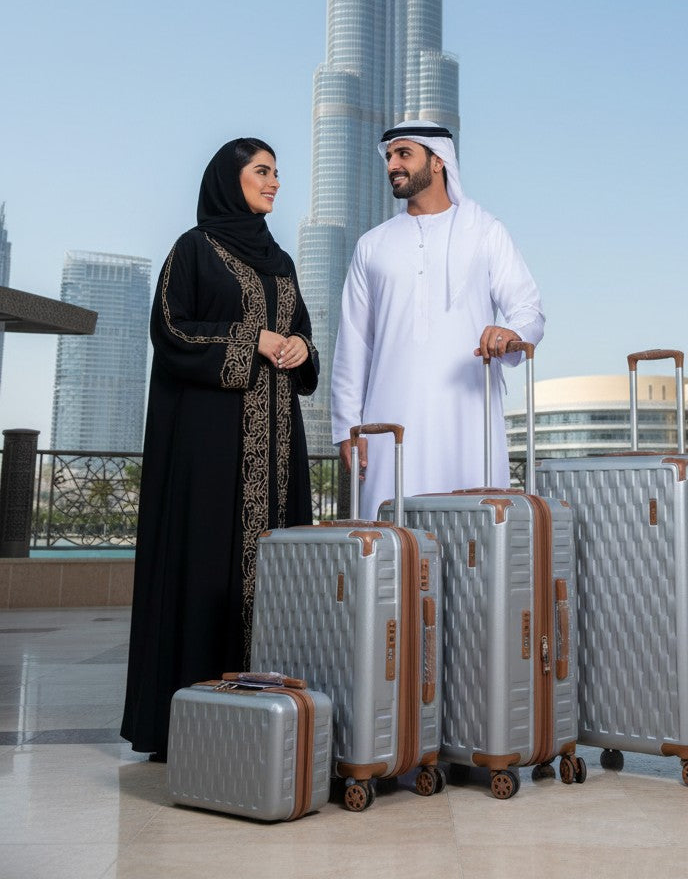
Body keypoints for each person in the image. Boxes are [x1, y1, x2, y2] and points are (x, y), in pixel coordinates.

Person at [121, 138, 318, 759]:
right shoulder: (194, 249)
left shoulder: (280, 260)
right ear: (229, 179)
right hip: (209, 449)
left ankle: (272, 715)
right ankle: (191, 717)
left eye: (278, 173)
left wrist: (301, 349)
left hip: (279, 445)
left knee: (275, 571)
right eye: (263, 171)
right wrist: (251, 338)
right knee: (205, 568)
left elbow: (301, 329)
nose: (276, 183)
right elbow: (171, 328)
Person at [331, 121, 544, 518]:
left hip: (468, 416)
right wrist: (347, 427)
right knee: (388, 538)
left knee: (475, 537)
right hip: (388, 422)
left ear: (437, 161)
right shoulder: (372, 245)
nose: (392, 163)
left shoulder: (485, 232)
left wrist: (511, 331)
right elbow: (353, 343)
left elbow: (529, 307)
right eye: (389, 156)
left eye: (403, 154)